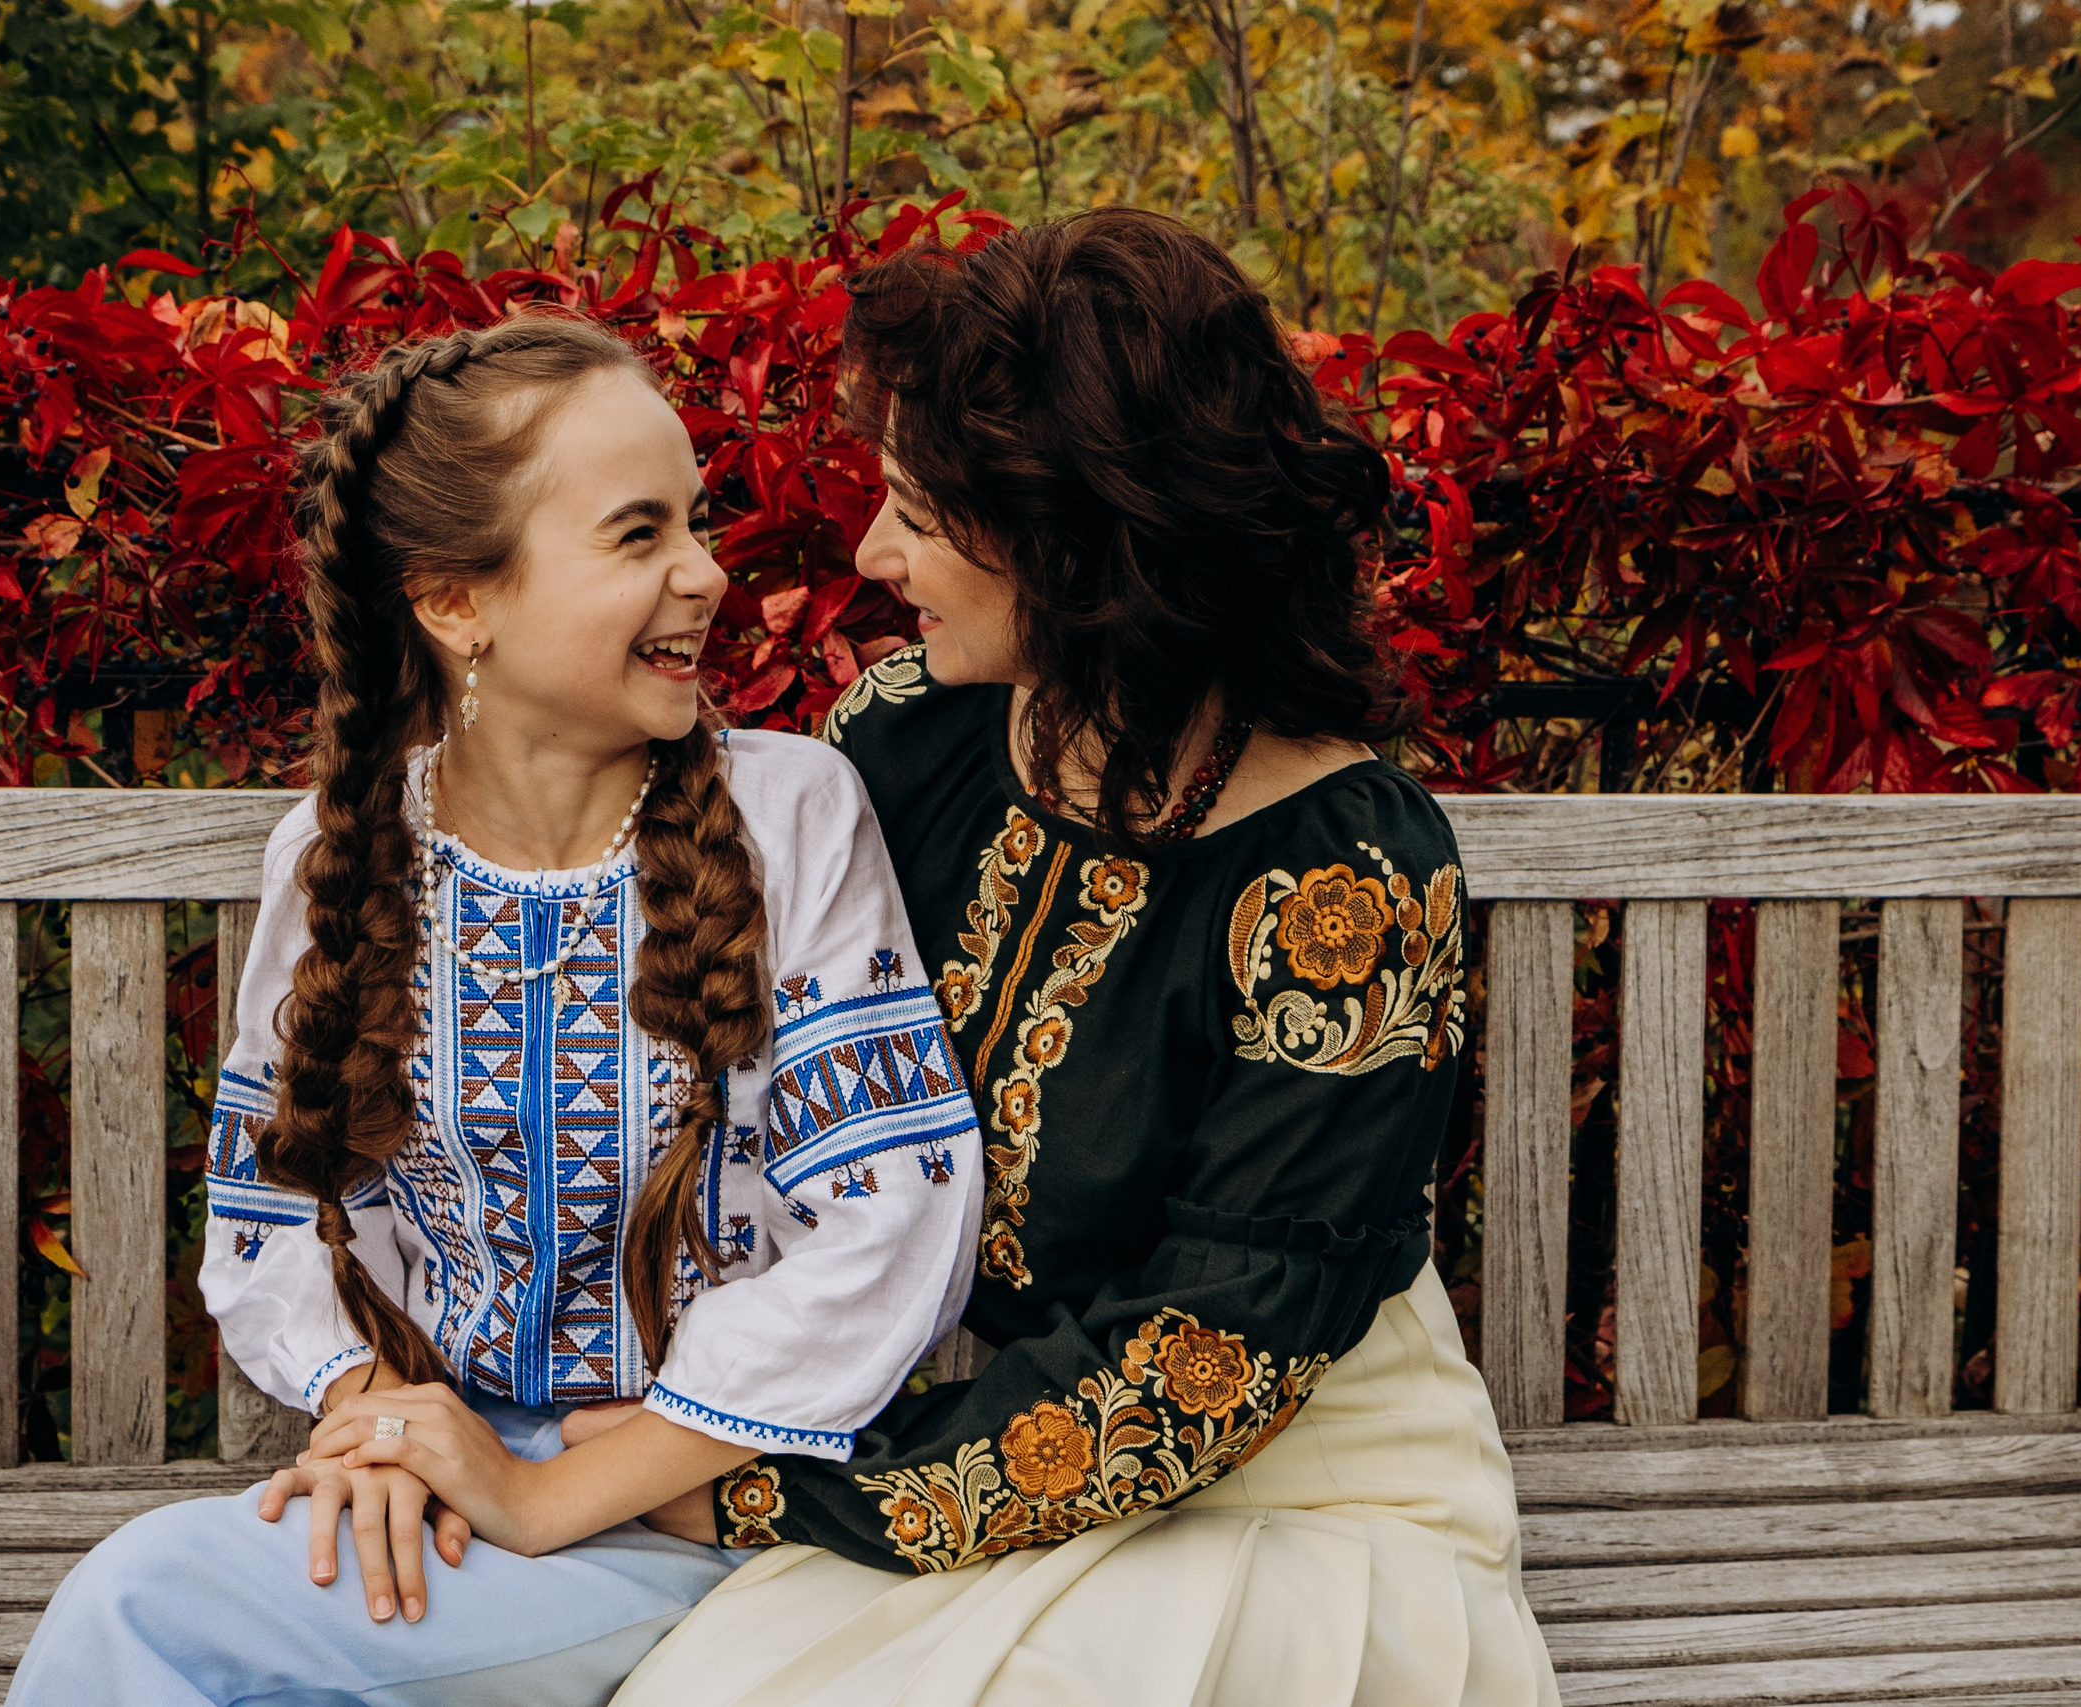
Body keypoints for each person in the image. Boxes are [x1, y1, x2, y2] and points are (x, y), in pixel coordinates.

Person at [615, 209, 1560, 1705]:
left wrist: (736, 1493)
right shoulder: (908, 736)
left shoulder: (1349, 880)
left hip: (1301, 1491)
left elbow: (1197, 1382)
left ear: (1080, 539)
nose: (871, 555)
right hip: (986, 1455)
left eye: (920, 516)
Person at [5, 312, 983, 1706]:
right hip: (442, 1486)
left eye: (695, 523)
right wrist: (375, 1418)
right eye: (638, 535)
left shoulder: (790, 818)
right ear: (458, 600)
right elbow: (266, 1207)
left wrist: (567, 1489)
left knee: (146, 1608)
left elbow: (894, 1217)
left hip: (713, 1503)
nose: (707, 575)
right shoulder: (341, 851)